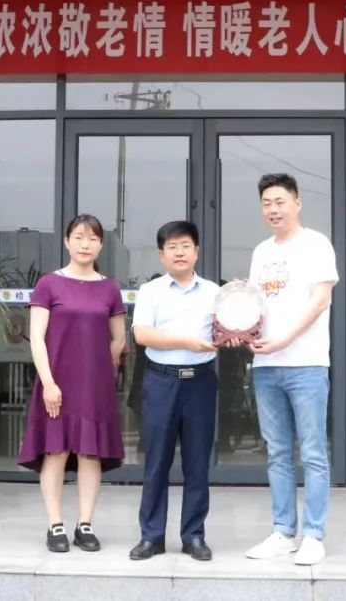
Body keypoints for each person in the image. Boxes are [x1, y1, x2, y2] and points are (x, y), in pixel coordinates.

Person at [243, 173, 338, 567]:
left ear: (297, 203)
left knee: (313, 452)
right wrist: (244, 332)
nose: (273, 209)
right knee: (277, 453)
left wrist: (284, 339)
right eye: (266, 203)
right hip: (266, 366)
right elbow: (254, 304)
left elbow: (320, 300)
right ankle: (283, 531)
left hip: (307, 364)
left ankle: (313, 534)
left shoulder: (316, 244)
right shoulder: (261, 251)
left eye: (280, 201)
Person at [18, 214, 127, 553]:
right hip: (57, 381)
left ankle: (85, 524)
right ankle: (55, 524)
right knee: (57, 450)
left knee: (90, 453)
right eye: (79, 237)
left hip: (94, 385)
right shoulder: (49, 284)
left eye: (92, 238)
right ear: (67, 242)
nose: (85, 244)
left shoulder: (109, 288)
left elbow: (119, 338)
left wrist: (102, 369)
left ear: (101, 245)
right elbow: (37, 338)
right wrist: (48, 383)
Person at [128, 221, 220, 562]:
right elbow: (142, 335)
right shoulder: (150, 291)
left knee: (197, 462)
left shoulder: (214, 292)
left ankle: (194, 536)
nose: (179, 252)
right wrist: (185, 341)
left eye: (185, 246)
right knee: (156, 461)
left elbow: (227, 329)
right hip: (161, 381)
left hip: (201, 383)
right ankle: (151, 536)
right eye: (172, 247)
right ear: (161, 255)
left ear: (197, 252)